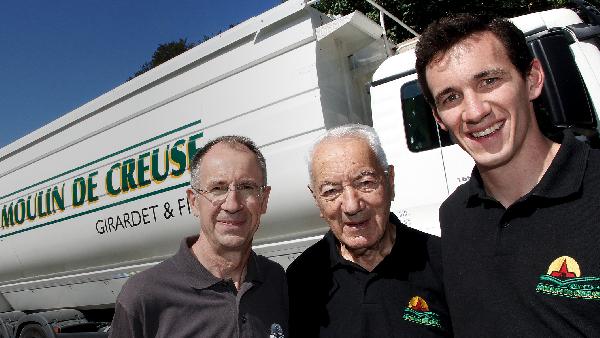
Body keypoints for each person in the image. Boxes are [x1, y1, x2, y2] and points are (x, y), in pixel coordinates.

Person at [416, 13, 600, 336]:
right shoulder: (455, 216)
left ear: (532, 80)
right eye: (451, 97)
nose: (474, 112)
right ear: (439, 118)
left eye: (489, 81)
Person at [109, 136, 288, 338]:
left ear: (264, 200)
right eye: (217, 188)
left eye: (247, 187)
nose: (232, 204)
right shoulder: (143, 296)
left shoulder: (275, 280)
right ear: (193, 202)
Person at [286, 124, 451, 337]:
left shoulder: (442, 261)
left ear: (390, 181)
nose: (352, 206)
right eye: (331, 191)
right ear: (317, 201)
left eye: (365, 182)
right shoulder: (302, 279)